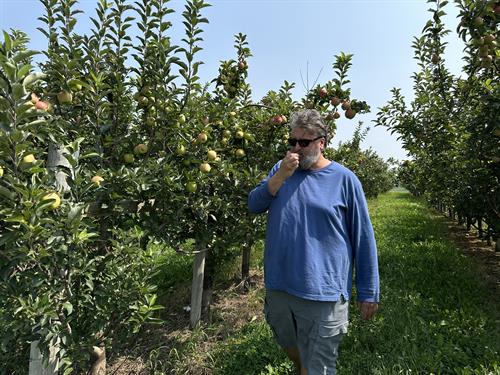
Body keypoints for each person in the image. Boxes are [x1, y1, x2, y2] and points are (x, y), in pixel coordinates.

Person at [248, 109, 380, 374]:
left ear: (322, 142)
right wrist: (279, 177)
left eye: (304, 143)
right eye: (292, 142)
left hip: (323, 292)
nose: (297, 148)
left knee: (320, 365)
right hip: (280, 286)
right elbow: (254, 204)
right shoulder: (281, 170)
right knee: (288, 343)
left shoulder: (345, 180)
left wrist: (368, 290)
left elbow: (363, 237)